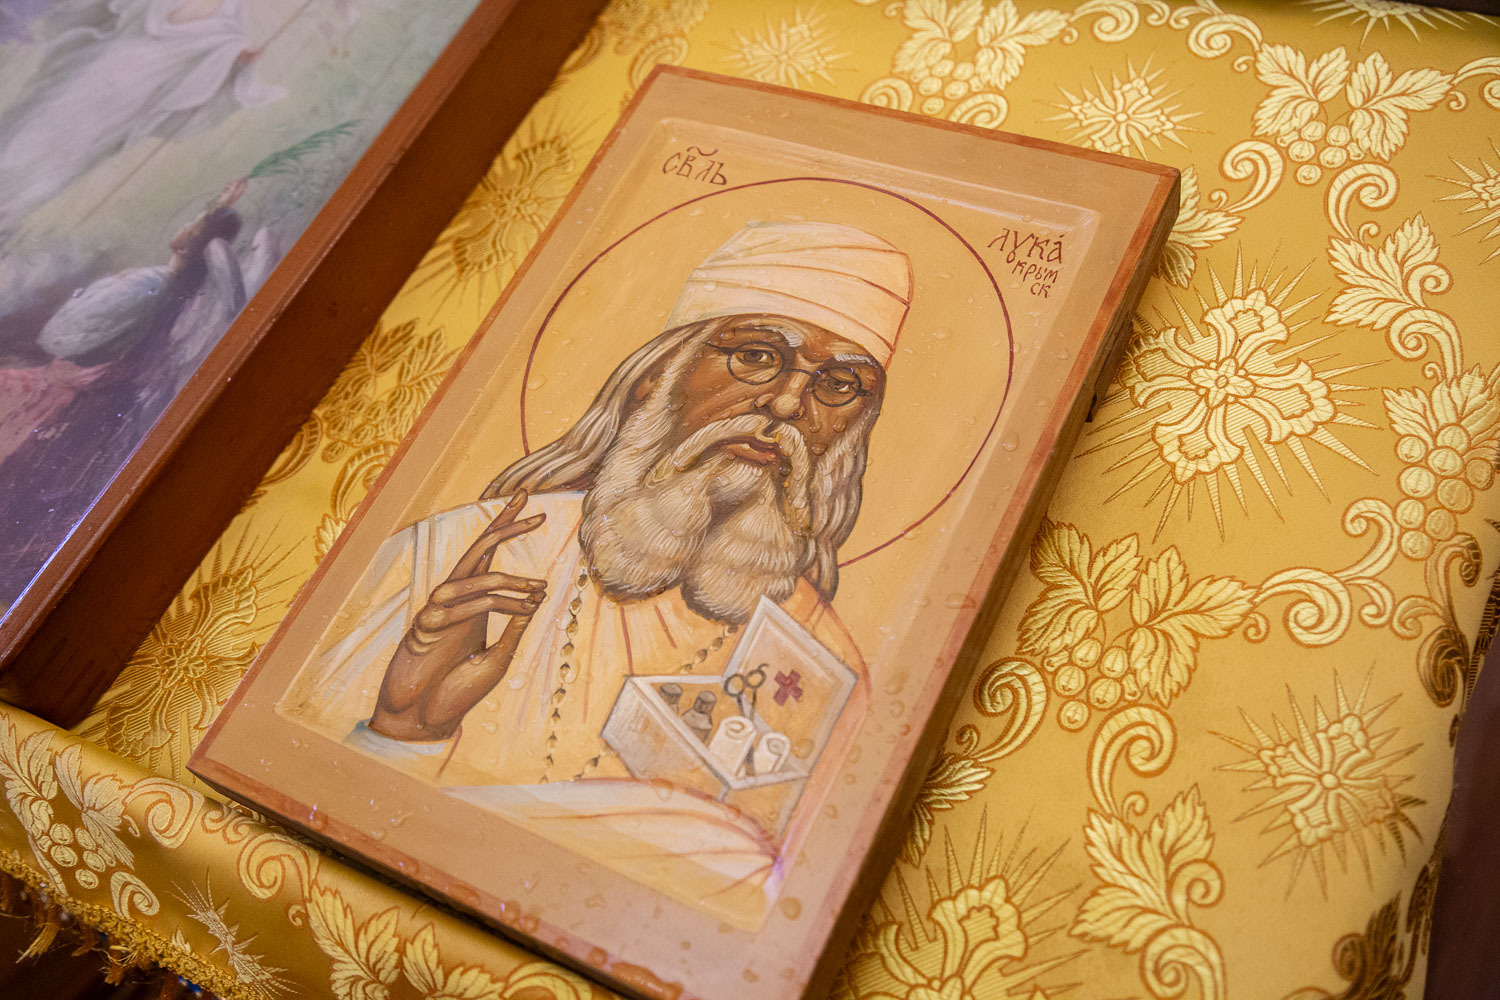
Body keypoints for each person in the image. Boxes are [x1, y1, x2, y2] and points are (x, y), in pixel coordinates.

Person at [283, 221, 912, 924]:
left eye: (840, 385)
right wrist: (402, 731)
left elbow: (781, 908)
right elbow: (297, 810)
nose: (789, 406)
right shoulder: (455, 557)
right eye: (757, 356)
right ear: (654, 381)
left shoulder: (824, 661)